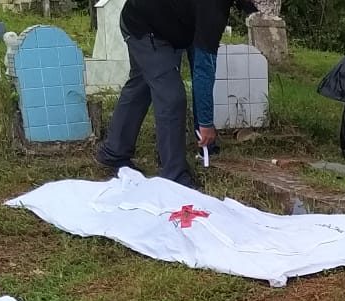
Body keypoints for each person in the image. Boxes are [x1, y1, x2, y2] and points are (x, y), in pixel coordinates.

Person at [96, 0, 255, 188]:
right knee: (172, 97)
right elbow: (203, 67)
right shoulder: (213, 7)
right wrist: (205, 124)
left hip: (156, 24)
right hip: (145, 27)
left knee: (141, 87)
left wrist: (203, 124)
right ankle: (175, 176)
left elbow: (198, 56)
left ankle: (114, 152)